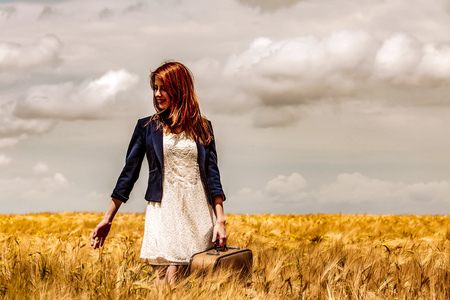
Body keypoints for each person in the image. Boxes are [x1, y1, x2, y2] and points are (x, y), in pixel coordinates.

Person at [90, 61, 227, 285]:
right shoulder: (147, 127)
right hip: (164, 211)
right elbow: (128, 174)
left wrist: (220, 220)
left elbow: (213, 176)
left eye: (163, 88)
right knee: (166, 281)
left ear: (180, 89)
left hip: (199, 214)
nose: (158, 94)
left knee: (189, 284)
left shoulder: (203, 127)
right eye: (155, 88)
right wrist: (107, 219)